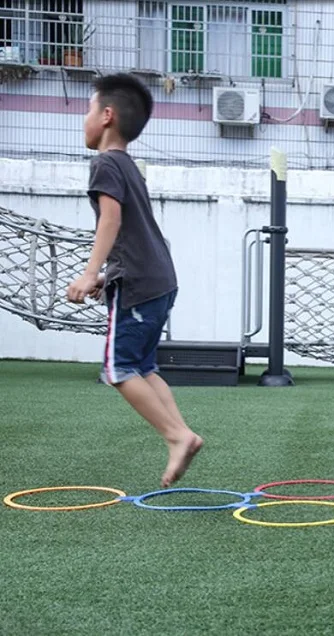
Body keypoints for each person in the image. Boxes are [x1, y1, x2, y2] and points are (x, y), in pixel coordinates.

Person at [67, 73, 203, 487]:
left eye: (88, 110)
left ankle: (176, 435)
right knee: (143, 365)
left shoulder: (105, 163)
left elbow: (112, 219)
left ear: (107, 116)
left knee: (118, 368)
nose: (84, 119)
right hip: (159, 277)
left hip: (141, 282)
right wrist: (108, 275)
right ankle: (183, 435)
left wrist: (91, 272)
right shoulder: (128, 166)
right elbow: (135, 234)